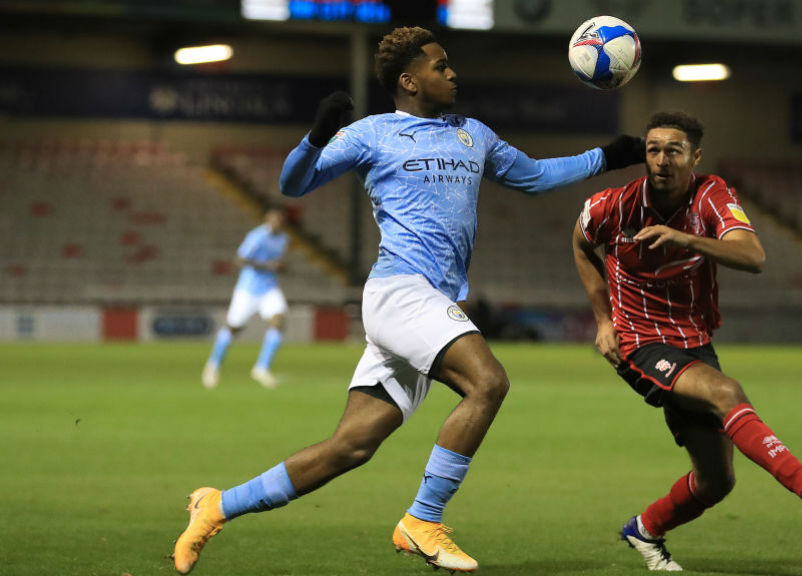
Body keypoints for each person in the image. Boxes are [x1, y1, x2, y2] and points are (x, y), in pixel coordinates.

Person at [172, 26, 645, 575]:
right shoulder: (372, 134)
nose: (452, 73)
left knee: (350, 447)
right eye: (440, 66)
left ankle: (216, 506)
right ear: (409, 80)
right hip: (399, 292)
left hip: (429, 305)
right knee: (488, 382)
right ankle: (423, 519)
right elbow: (293, 184)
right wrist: (317, 136)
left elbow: (535, 177)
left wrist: (605, 158)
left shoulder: (474, 134)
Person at [571, 111, 802, 572]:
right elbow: (581, 242)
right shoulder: (613, 205)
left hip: (693, 340)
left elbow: (753, 256)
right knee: (727, 393)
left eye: (674, 151)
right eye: (653, 149)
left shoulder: (712, 194)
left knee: (717, 481)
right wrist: (603, 320)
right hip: (639, 341)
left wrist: (686, 238)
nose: (661, 160)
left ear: (695, 157)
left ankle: (643, 530)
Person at [202, 206, 289, 390]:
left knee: (279, 321)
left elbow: (277, 262)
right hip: (248, 290)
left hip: (269, 289)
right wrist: (267, 265)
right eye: (272, 219)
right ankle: (213, 365)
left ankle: (261, 368)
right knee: (233, 328)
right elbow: (240, 259)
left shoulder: (283, 238)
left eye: (279, 220)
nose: (275, 223)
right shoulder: (257, 236)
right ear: (267, 220)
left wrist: (280, 267)